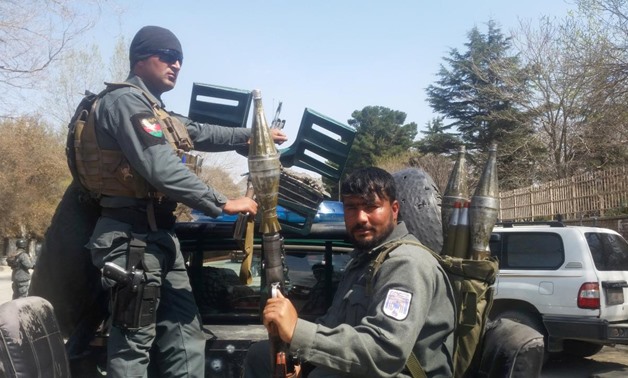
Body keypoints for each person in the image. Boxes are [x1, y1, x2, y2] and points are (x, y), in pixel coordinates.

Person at [76, 25, 287, 377]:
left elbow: (200, 131)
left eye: (180, 59)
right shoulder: (125, 103)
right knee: (133, 346)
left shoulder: (154, 110)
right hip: (131, 238)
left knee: (185, 336)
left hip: (160, 236)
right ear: (141, 58)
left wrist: (252, 135)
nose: (176, 65)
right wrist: (221, 202)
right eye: (168, 57)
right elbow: (161, 167)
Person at [244, 167, 456, 377]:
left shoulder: (407, 263)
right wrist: (301, 358)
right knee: (262, 356)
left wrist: (297, 331)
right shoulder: (363, 261)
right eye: (352, 208)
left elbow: (385, 351)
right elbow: (332, 325)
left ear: (394, 209)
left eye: (371, 206)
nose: (361, 217)